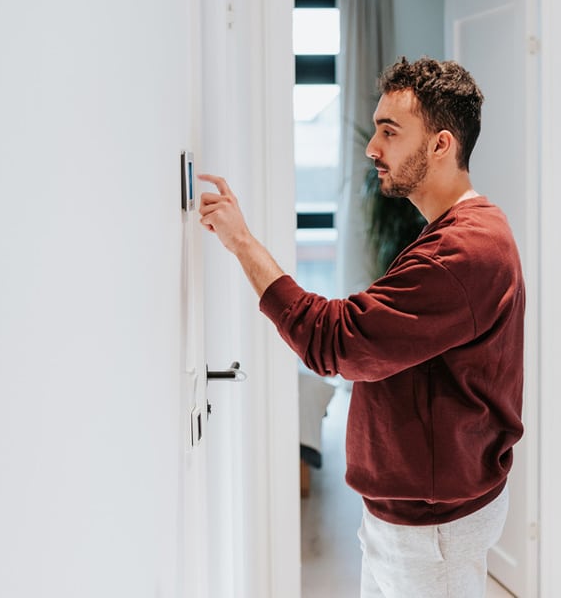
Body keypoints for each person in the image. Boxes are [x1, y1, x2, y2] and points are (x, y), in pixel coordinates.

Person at [198, 56, 525, 598]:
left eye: (390, 132)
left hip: (431, 529)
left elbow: (335, 342)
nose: (372, 148)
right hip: (419, 514)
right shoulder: (462, 231)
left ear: (441, 144)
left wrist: (242, 243)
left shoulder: (461, 252)